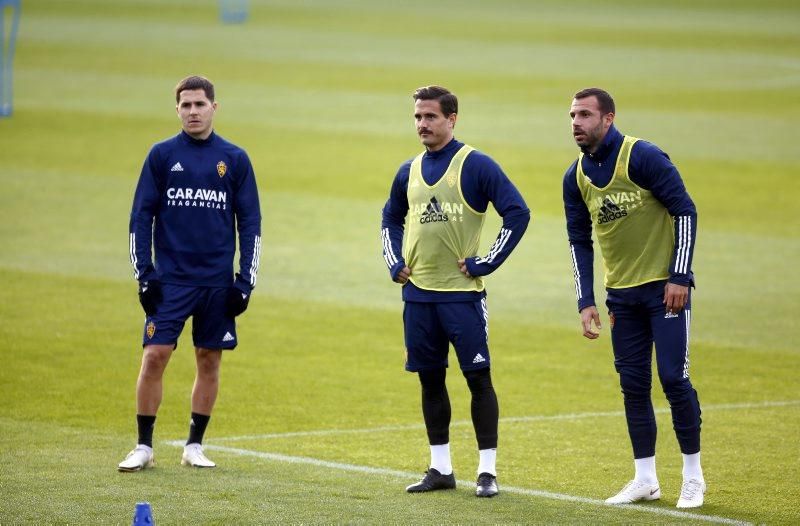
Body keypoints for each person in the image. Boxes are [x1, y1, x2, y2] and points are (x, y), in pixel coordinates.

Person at [381, 86, 530, 498]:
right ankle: (440, 467)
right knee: (430, 381)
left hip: (462, 298)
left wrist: (486, 263)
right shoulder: (407, 170)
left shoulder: (474, 165)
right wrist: (394, 261)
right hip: (418, 297)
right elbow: (390, 216)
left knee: (478, 379)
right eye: (417, 117)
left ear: (452, 119)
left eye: (430, 117)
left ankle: (487, 472)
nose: (422, 125)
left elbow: (517, 212)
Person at [562, 88, 704, 508]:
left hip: (665, 291)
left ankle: (693, 477)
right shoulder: (575, 177)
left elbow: (685, 210)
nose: (576, 123)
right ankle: (645, 478)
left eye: (585, 115)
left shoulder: (642, 157)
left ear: (608, 118)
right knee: (633, 385)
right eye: (572, 115)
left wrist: (679, 275)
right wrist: (585, 299)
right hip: (620, 298)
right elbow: (578, 240)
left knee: (674, 378)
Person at [119, 75, 262, 472]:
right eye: (186, 105)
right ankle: (144, 446)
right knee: (154, 356)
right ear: (177, 109)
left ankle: (194, 445)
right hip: (171, 281)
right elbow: (140, 217)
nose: (193, 112)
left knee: (209, 360)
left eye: (200, 105)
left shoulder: (234, 159)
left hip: (217, 283)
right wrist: (144, 276)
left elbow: (250, 222)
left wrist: (244, 282)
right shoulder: (162, 155)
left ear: (214, 107)